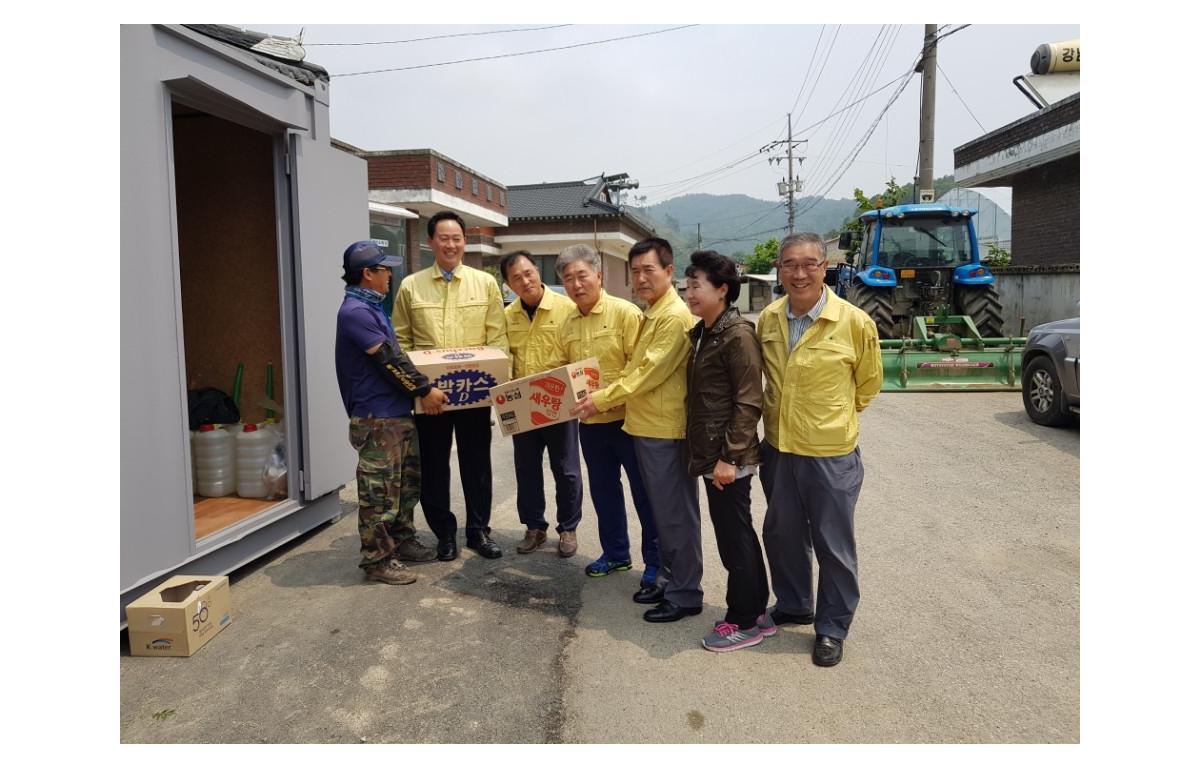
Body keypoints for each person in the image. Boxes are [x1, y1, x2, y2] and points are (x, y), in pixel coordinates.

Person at [757, 232, 883, 667]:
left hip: (831, 454)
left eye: (809, 263)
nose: (799, 273)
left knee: (833, 544)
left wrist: (832, 420)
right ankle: (794, 604)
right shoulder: (769, 320)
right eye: (790, 264)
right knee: (782, 534)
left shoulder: (853, 322)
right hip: (779, 449)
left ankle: (831, 627)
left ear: (824, 267)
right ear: (779, 269)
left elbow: (867, 385)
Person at [571, 237, 701, 624]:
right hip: (644, 425)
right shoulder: (652, 312)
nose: (641, 278)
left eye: (649, 270)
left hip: (664, 429)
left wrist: (602, 398)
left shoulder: (672, 317)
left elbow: (646, 374)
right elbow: (635, 370)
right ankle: (669, 580)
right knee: (664, 513)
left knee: (674, 516)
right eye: (636, 271)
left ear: (668, 271)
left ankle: (684, 592)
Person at [392, 211, 508, 561]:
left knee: (477, 464)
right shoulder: (411, 285)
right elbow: (400, 342)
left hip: (474, 392)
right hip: (431, 397)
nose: (451, 244)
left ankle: (478, 531)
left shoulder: (484, 283)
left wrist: (497, 383)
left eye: (457, 237)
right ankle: (444, 533)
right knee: (433, 466)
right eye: (443, 238)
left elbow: (497, 336)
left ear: (464, 241)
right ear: (430, 243)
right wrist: (419, 388)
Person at [335, 241, 450, 584]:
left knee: (405, 485)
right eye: (385, 270)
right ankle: (377, 560)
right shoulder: (354, 312)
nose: (390, 275)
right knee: (378, 492)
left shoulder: (374, 308)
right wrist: (425, 390)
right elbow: (388, 360)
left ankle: (401, 540)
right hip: (376, 417)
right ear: (367, 274)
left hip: (396, 413)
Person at [556, 244, 660, 591]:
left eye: (582, 275)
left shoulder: (625, 314)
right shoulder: (567, 323)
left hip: (629, 421)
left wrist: (609, 399)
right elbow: (562, 374)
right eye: (568, 279)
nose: (576, 284)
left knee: (644, 494)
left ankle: (656, 563)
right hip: (590, 424)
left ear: (599, 276)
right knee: (603, 492)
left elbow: (639, 368)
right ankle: (616, 553)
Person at [682, 251, 772, 652]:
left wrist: (730, 458)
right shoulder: (704, 331)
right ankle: (756, 613)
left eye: (696, 285)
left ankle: (742, 621)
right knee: (738, 534)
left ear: (722, 289)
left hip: (728, 457)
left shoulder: (737, 334)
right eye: (687, 285)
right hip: (713, 452)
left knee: (733, 538)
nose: (689, 292)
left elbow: (750, 400)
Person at [500, 250, 583, 557]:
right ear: (508, 284)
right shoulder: (507, 316)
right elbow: (504, 357)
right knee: (527, 468)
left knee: (567, 469)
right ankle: (534, 527)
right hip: (523, 404)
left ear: (537, 270)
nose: (525, 281)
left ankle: (568, 528)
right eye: (516, 278)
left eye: (528, 273)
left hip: (559, 402)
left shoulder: (567, 309)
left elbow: (578, 353)